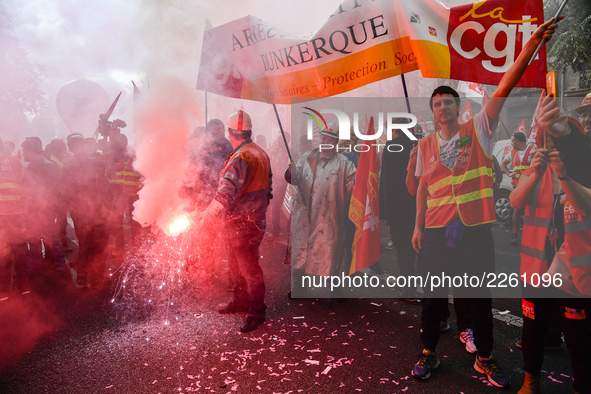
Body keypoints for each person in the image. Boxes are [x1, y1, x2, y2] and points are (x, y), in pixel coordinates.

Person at [410, 17, 561, 387]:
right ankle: (428, 352)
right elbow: (424, 192)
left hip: (474, 231)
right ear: (432, 112)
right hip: (433, 232)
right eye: (437, 103)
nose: (442, 107)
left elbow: (504, 87)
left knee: (479, 298)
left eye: (448, 101)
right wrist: (416, 226)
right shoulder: (424, 146)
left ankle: (485, 359)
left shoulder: (477, 129)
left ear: (459, 108)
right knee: (432, 299)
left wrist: (531, 46)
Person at [195, 110, 272, 333]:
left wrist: (205, 216)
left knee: (249, 269)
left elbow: (225, 193)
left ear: (231, 133)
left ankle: (257, 313)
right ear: (249, 132)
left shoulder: (240, 157)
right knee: (237, 265)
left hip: (242, 223)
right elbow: (269, 187)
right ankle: (240, 301)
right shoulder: (260, 153)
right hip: (253, 220)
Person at [289, 123, 356, 285]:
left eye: (330, 139)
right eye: (323, 138)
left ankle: (336, 290)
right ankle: (299, 287)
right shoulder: (306, 158)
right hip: (304, 217)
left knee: (331, 255)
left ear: (336, 142)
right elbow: (294, 180)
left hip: (329, 219)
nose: (325, 142)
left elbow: (353, 190)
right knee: (301, 254)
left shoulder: (345, 163)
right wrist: (290, 173)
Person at [21, 137, 69, 285]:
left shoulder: (44, 167)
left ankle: (55, 266)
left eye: (24, 151)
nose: (23, 155)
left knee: (48, 239)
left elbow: (57, 189)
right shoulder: (46, 166)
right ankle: (51, 265)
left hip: (42, 209)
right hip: (38, 209)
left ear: (30, 150)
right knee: (39, 239)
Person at [379, 127, 418, 302]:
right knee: (416, 247)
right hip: (418, 205)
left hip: (397, 207)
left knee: (402, 248)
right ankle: (416, 284)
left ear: (394, 130)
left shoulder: (391, 148)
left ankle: (409, 290)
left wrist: (383, 209)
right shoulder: (417, 146)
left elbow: (386, 181)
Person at [0, 137, 31, 300]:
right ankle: (23, 285)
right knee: (19, 250)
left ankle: (2, 290)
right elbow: (27, 184)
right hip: (16, 214)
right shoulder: (15, 161)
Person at [501, 132, 534, 245]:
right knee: (517, 210)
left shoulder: (532, 151)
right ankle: (514, 235)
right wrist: (509, 173)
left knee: (530, 211)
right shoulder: (512, 152)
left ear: (518, 142)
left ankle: (529, 235)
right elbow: (503, 164)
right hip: (517, 186)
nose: (511, 143)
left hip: (530, 185)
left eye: (512, 141)